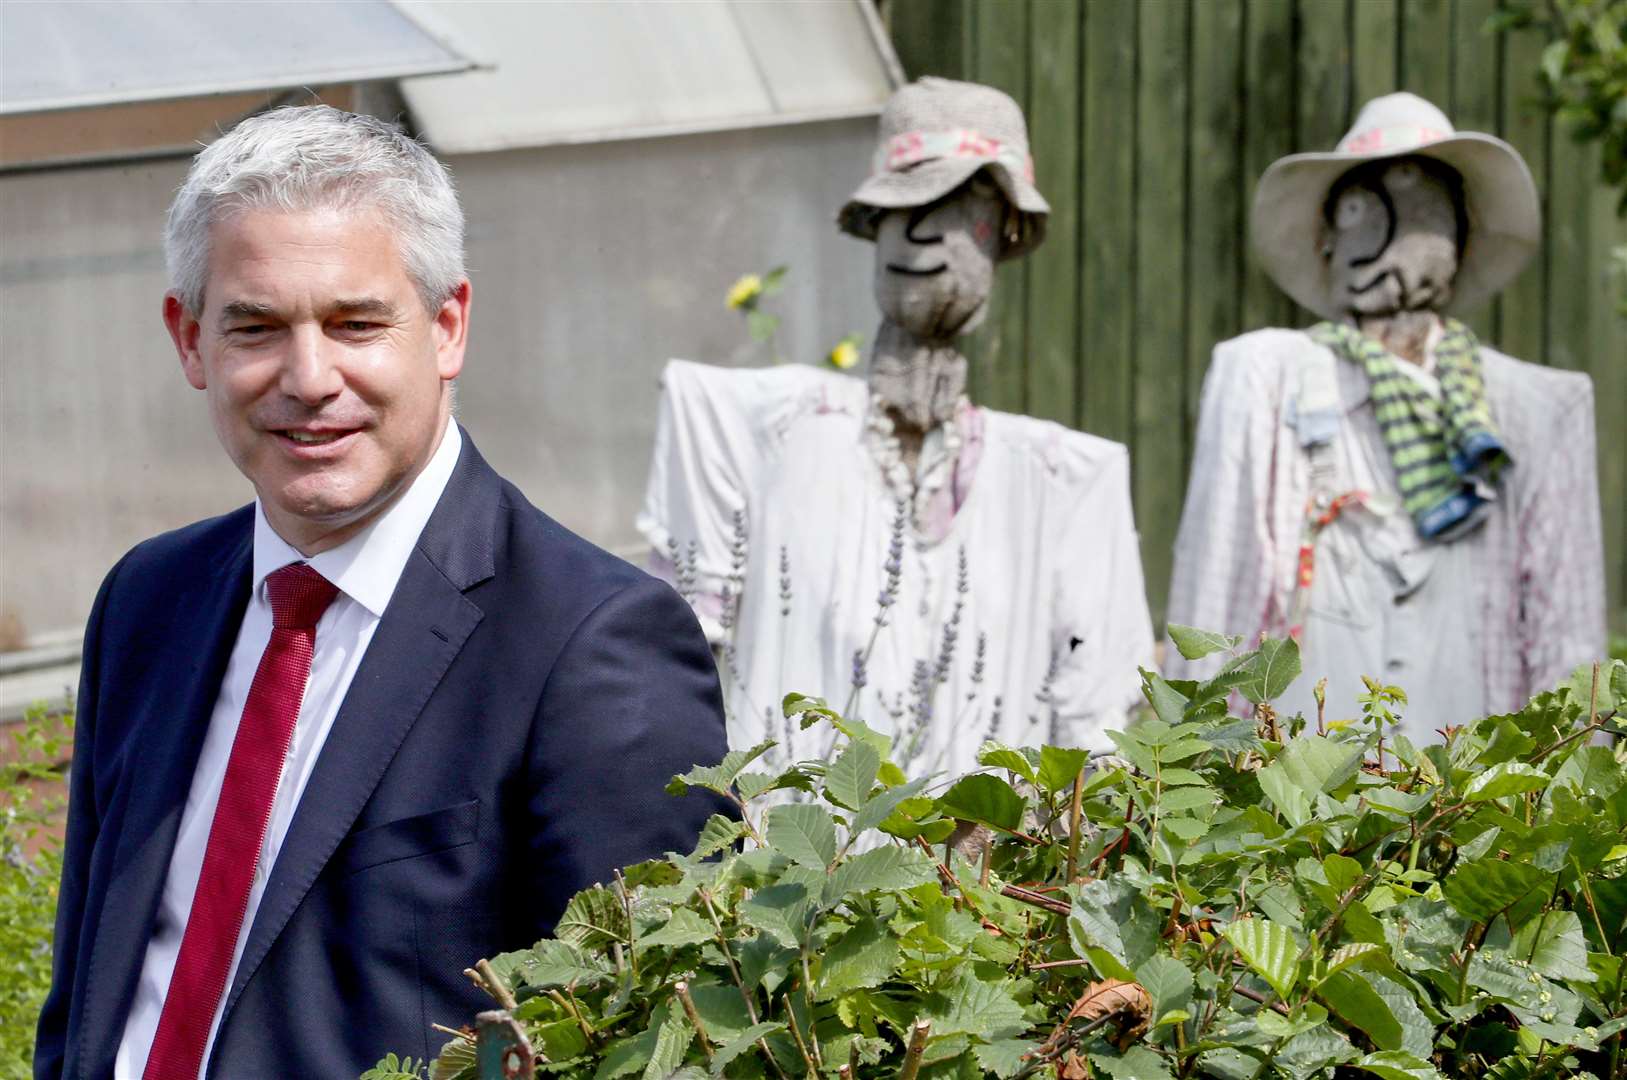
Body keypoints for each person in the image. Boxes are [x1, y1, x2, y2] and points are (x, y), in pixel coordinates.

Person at [35, 105, 729, 1080]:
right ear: (190, 341)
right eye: (257, 327)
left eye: (356, 324)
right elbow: (88, 989)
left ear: (446, 328)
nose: (309, 377)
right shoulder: (149, 602)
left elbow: (657, 1039)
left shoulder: (593, 647)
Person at [639, 78, 1154, 778]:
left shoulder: (1063, 481)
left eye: (961, 207)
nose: (920, 233)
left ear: (1001, 236)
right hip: (791, 864)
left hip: (985, 876)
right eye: (903, 210)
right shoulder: (752, 426)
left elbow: (1098, 722)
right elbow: (677, 666)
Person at [1166, 92, 1606, 744]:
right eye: (1364, 212)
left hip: (1476, 811)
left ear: (1459, 236)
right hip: (1296, 808)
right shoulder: (1265, 378)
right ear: (1327, 242)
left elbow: (1566, 650)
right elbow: (1217, 607)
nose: (1397, 235)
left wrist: (1546, 811)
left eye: (1427, 211)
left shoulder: (1536, 410)